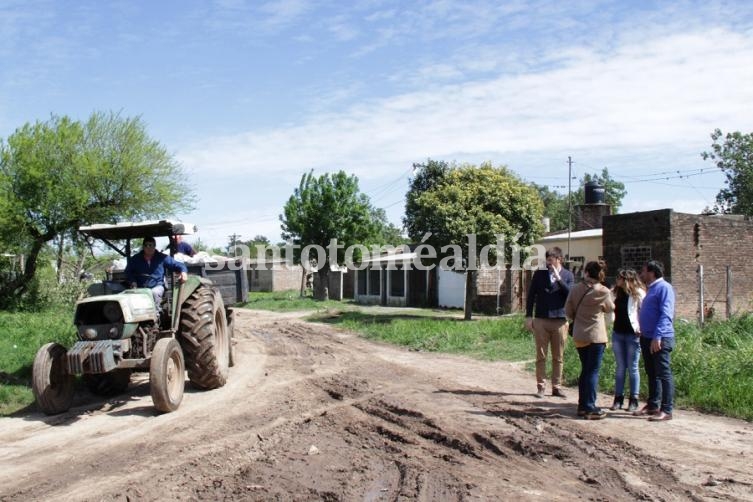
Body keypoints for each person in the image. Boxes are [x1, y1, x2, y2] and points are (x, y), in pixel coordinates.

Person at [566, 261, 614, 419]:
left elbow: (568, 310)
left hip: (580, 335)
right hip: (596, 336)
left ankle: (582, 405)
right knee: (592, 372)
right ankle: (590, 406)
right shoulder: (604, 291)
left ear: (586, 272)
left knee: (585, 370)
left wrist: (579, 318)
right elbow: (610, 308)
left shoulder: (575, 289)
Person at [525, 246, 575, 399]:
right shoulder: (539, 274)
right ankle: (541, 386)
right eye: (547, 261)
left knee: (558, 356)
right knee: (541, 355)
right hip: (541, 319)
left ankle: (557, 386)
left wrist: (558, 279)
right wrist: (528, 316)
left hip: (559, 320)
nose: (548, 264)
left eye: (551, 260)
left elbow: (570, 294)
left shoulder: (568, 275)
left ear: (559, 259)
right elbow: (531, 295)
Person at [634, 260, 676, 422]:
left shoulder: (664, 288)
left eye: (643, 271)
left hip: (660, 338)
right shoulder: (651, 289)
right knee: (652, 373)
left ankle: (667, 409)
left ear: (651, 272)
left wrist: (657, 336)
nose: (641, 275)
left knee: (664, 374)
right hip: (647, 337)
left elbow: (666, 314)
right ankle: (653, 405)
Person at [610, 269, 646, 412]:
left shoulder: (638, 294)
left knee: (633, 367)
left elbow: (644, 312)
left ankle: (634, 400)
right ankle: (618, 398)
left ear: (627, 279)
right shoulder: (615, 293)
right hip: (618, 333)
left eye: (619, 278)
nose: (617, 280)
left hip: (633, 334)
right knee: (620, 367)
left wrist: (641, 327)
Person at [125, 236, 188, 308]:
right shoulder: (135, 259)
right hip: (140, 287)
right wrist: (133, 281)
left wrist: (183, 271)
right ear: (143, 247)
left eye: (151, 245)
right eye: (146, 245)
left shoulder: (162, 258)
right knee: (131, 296)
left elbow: (177, 264)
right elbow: (128, 271)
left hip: (156, 286)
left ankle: (156, 315)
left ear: (154, 246)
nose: (148, 247)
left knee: (154, 292)